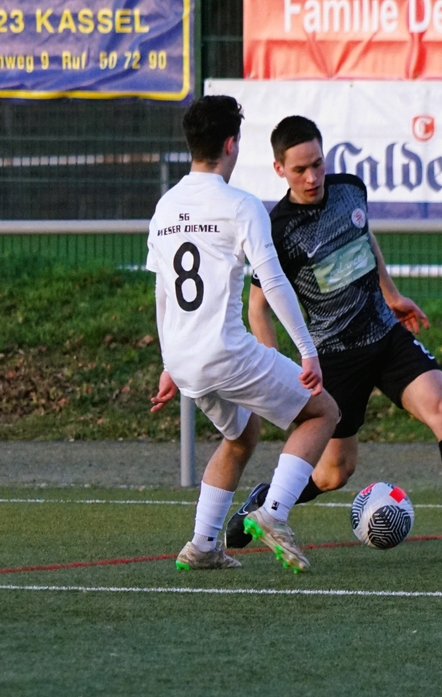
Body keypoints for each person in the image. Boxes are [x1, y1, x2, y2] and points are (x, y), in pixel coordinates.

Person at [226, 115, 442, 553]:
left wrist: (391, 294)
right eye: (300, 169)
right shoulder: (279, 231)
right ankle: (263, 500)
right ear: (279, 169)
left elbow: (364, 236)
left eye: (317, 163)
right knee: (334, 473)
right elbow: (257, 307)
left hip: (386, 336)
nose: (312, 177)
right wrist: (277, 369)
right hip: (335, 357)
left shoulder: (351, 189)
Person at [148, 98, 339, 573]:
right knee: (322, 412)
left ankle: (202, 545)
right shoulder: (241, 205)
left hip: (186, 360)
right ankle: (274, 513)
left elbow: (162, 293)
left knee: (241, 436)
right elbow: (271, 280)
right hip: (226, 353)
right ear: (231, 144)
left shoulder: (166, 205)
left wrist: (169, 363)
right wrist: (308, 351)